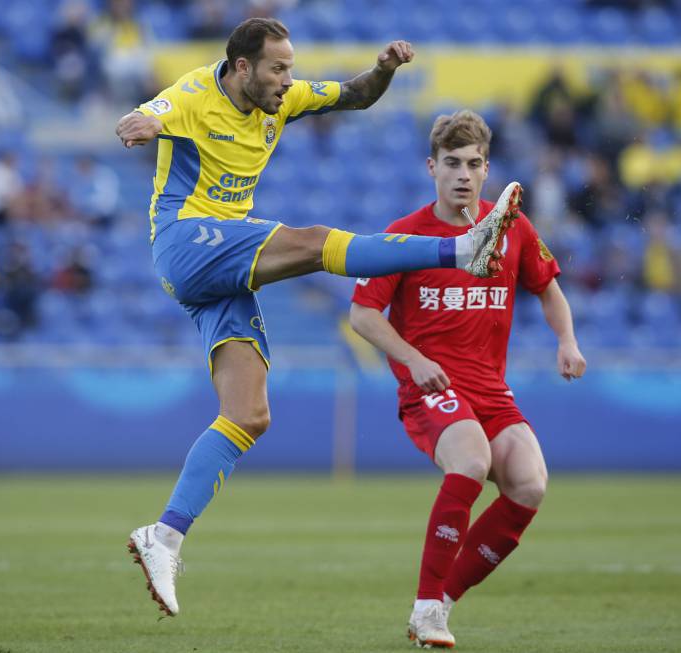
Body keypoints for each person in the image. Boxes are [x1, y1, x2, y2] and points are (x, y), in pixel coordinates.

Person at [116, 17, 520, 618]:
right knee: (313, 242)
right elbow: (152, 113)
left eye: (291, 67)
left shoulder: (284, 98)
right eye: (277, 68)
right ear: (243, 67)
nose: (288, 79)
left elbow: (355, 95)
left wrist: (383, 70)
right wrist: (142, 123)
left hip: (221, 269)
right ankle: (462, 250)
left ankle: (165, 536)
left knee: (248, 414)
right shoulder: (195, 93)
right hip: (186, 242)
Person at [349, 110, 587, 648]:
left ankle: (442, 603)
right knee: (473, 460)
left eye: (473, 164)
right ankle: (427, 605)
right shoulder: (404, 236)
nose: (462, 174)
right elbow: (362, 315)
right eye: (452, 163)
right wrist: (413, 360)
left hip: (490, 390)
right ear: (431, 167)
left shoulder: (513, 229)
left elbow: (549, 289)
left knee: (529, 484)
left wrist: (567, 340)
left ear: (486, 170)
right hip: (431, 388)